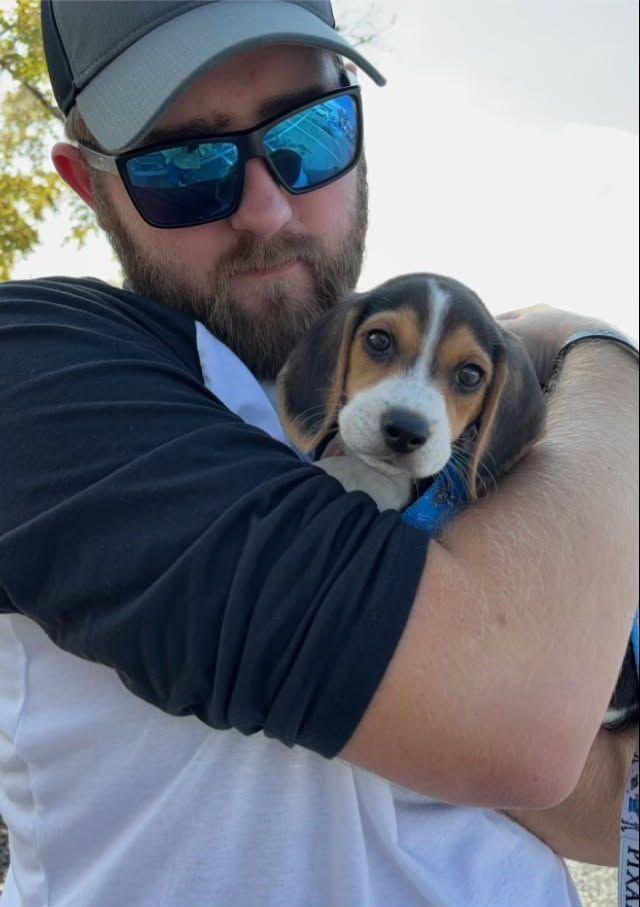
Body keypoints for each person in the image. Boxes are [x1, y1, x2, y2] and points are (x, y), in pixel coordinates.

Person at [0, 2, 637, 905]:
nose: (267, 210)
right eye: (184, 162)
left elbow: (608, 806)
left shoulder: (452, 441)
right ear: (87, 183)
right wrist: (601, 354)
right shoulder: (36, 365)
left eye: (310, 132)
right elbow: (521, 725)